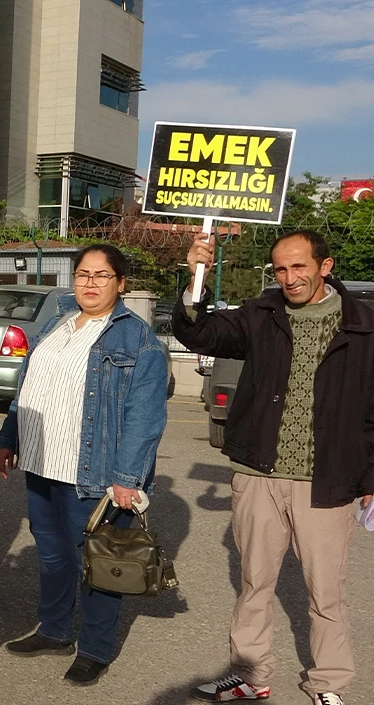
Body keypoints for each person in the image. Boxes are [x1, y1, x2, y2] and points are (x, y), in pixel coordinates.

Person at [175, 230, 374, 705]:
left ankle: (329, 683)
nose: (289, 277)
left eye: (299, 266)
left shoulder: (364, 326)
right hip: (259, 475)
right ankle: (250, 675)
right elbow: (200, 332)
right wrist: (196, 278)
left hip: (327, 482)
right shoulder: (261, 314)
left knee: (326, 593)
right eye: (281, 268)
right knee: (254, 584)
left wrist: (370, 478)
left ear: (325, 266)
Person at [0, 243, 168, 686]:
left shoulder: (137, 340)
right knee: (52, 557)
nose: (90, 283)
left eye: (101, 275)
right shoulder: (57, 323)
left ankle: (95, 648)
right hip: (41, 464)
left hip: (92, 474)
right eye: (83, 275)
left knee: (99, 563)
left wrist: (127, 478)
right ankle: (54, 631)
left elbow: (145, 415)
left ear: (120, 283)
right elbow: (29, 387)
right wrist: (9, 437)